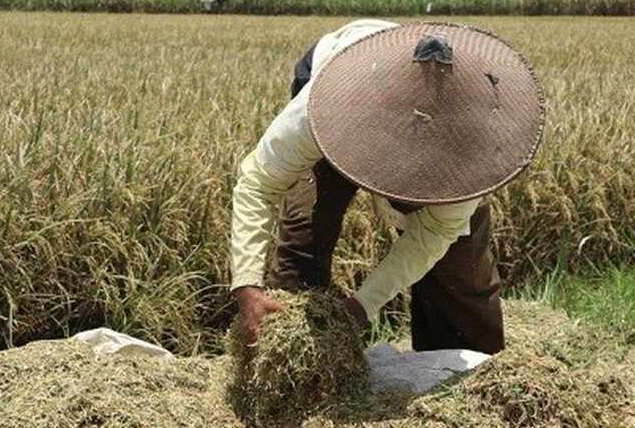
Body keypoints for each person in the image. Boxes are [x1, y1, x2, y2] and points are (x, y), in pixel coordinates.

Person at [229, 19, 545, 354]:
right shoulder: (323, 109)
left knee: (460, 264)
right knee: (305, 234)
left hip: (448, 126)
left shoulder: (476, 149)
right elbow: (259, 183)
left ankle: (465, 376)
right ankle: (287, 363)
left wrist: (363, 306)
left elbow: (433, 235)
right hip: (345, 91)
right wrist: (247, 285)